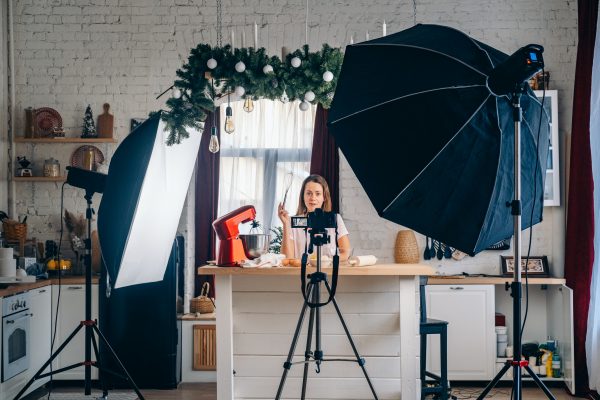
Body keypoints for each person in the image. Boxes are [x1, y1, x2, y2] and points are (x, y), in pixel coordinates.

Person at [278, 174, 351, 261]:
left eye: (318, 194)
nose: (313, 198)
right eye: (309, 193)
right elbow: (287, 258)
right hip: (301, 272)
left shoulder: (334, 219)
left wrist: (325, 261)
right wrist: (286, 224)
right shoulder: (294, 221)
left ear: (324, 197)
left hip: (327, 270)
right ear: (303, 196)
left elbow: (346, 253)